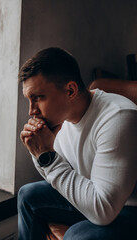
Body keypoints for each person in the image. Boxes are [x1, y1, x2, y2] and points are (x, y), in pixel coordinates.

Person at [18, 47, 137, 240]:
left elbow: (104, 210)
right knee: (28, 195)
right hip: (94, 195)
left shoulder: (118, 116)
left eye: (38, 98)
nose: (32, 111)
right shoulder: (60, 120)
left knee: (77, 235)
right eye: (28, 100)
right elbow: (55, 176)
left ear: (70, 90)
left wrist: (46, 157)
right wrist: (39, 152)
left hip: (127, 207)